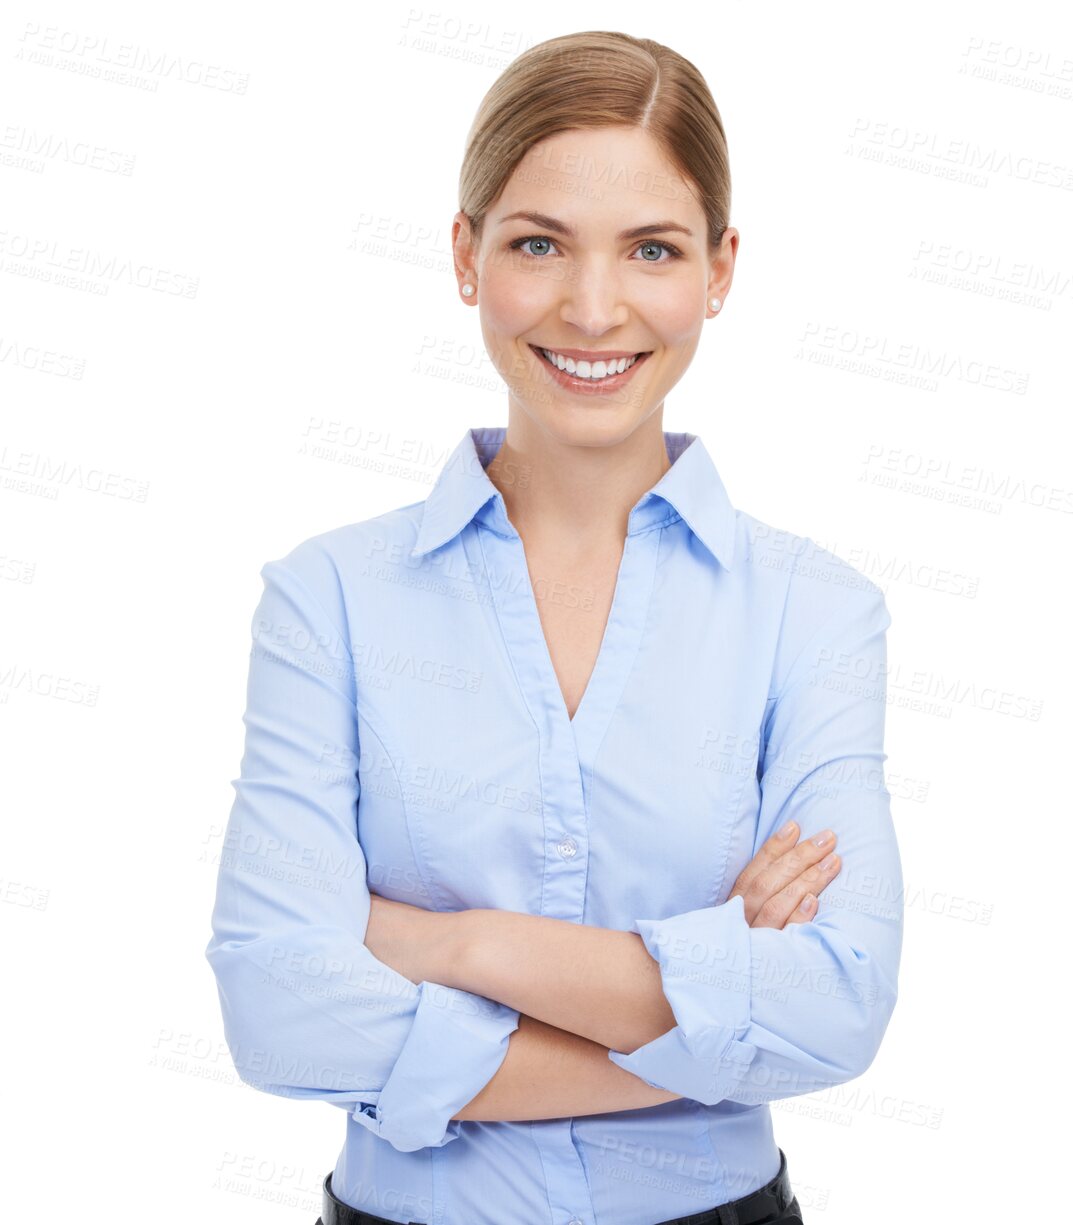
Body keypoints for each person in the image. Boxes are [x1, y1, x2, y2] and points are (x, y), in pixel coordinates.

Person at [202, 29, 904, 1225]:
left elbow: (837, 1003)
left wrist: (450, 945)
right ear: (467, 256)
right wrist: (702, 1012)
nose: (593, 307)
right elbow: (281, 1010)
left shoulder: (813, 610)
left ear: (718, 269)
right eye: (538, 244)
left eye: (651, 249)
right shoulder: (329, 598)